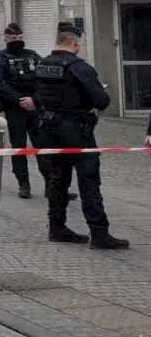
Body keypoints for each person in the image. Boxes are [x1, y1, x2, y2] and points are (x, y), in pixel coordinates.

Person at [34, 24, 129, 249]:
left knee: (57, 179)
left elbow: (37, 94)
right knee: (88, 181)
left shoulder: (42, 64)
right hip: (76, 131)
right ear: (74, 44)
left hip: (48, 128)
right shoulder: (79, 67)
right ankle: (99, 233)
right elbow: (101, 100)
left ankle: (56, 227)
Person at [0, 23, 46, 198]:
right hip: (15, 109)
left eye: (20, 38)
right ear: (6, 39)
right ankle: (24, 184)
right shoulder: (0, 58)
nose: (17, 41)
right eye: (14, 39)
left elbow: (45, 80)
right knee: (19, 147)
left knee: (42, 147)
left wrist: (34, 99)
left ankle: (52, 184)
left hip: (35, 108)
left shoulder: (33, 56)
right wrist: (19, 100)